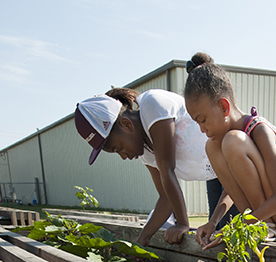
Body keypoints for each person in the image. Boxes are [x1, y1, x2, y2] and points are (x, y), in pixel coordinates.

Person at [73, 88, 234, 247]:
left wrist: (182, 223)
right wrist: (142, 240)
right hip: (218, 173)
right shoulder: (147, 154)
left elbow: (167, 170)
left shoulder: (153, 106)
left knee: (235, 233)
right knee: (217, 234)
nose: (123, 156)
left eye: (119, 148)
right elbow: (165, 198)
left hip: (237, 163)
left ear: (126, 124)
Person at [183, 53, 276, 248]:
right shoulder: (224, 143)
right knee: (212, 146)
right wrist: (213, 222)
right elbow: (231, 191)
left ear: (224, 107)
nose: (202, 129)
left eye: (203, 120)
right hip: (269, 207)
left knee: (232, 141)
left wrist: (237, 227)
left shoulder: (258, 131)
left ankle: (264, 226)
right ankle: (258, 224)